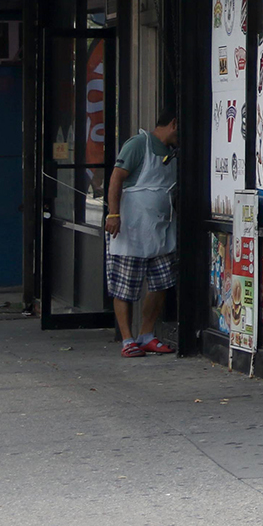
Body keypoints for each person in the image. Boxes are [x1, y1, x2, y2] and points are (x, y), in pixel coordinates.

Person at [104, 113, 179, 357]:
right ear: (173, 123)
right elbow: (116, 178)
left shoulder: (173, 152)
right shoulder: (138, 144)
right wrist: (113, 215)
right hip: (132, 228)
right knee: (124, 287)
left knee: (161, 283)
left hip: (160, 229)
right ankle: (127, 339)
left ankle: (147, 334)